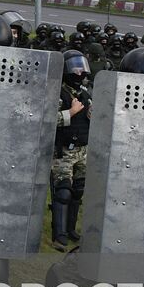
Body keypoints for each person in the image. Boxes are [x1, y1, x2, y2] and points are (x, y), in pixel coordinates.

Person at [51, 49, 90, 249]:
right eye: (75, 68)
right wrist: (71, 112)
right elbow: (48, 120)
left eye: (81, 68)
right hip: (63, 151)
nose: (79, 72)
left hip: (82, 151)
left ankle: (71, 229)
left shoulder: (85, 93)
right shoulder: (58, 93)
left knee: (78, 192)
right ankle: (59, 235)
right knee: (63, 191)